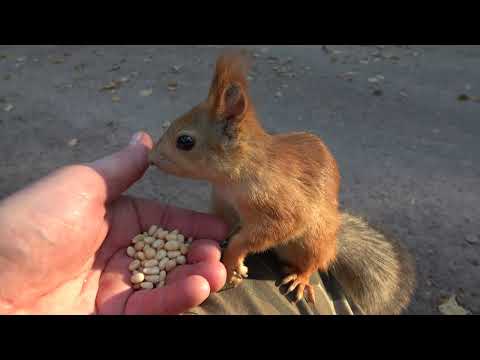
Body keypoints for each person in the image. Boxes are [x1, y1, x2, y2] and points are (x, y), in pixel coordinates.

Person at [0, 132, 351, 315]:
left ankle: (307, 273)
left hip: (301, 228)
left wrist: (241, 246)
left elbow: (286, 223)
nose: (155, 158)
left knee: (305, 247)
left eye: (184, 144)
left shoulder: (260, 182)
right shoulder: (230, 181)